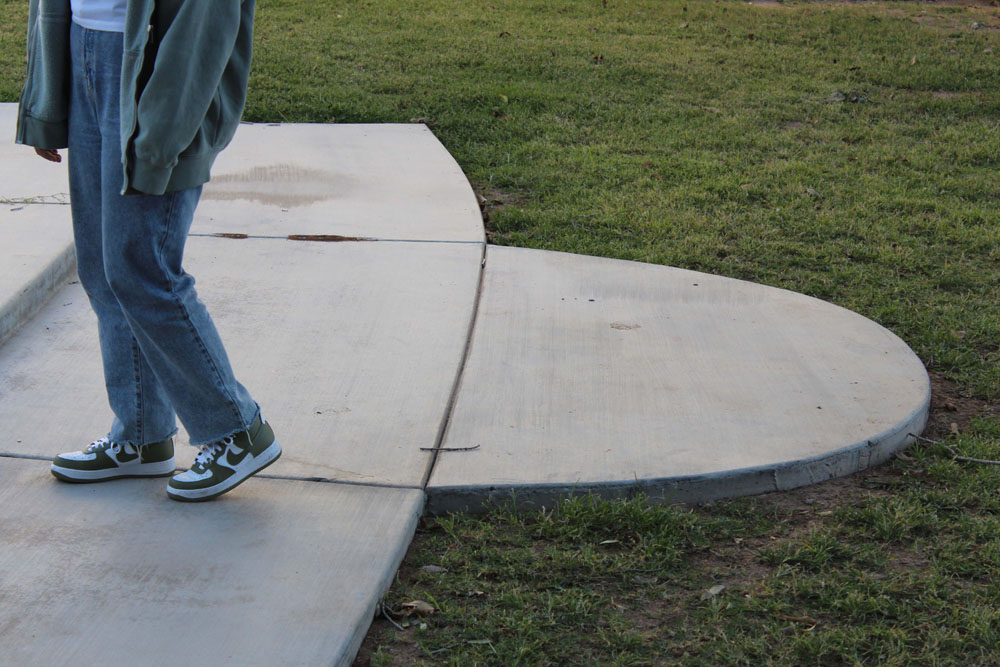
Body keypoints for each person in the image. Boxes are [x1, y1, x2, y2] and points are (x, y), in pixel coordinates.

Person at [15, 0, 280, 501]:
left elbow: (202, 27)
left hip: (157, 68)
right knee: (102, 267)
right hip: (83, 47)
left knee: (143, 267)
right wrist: (50, 94)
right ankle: (141, 434)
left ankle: (237, 430)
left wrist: (160, 138)